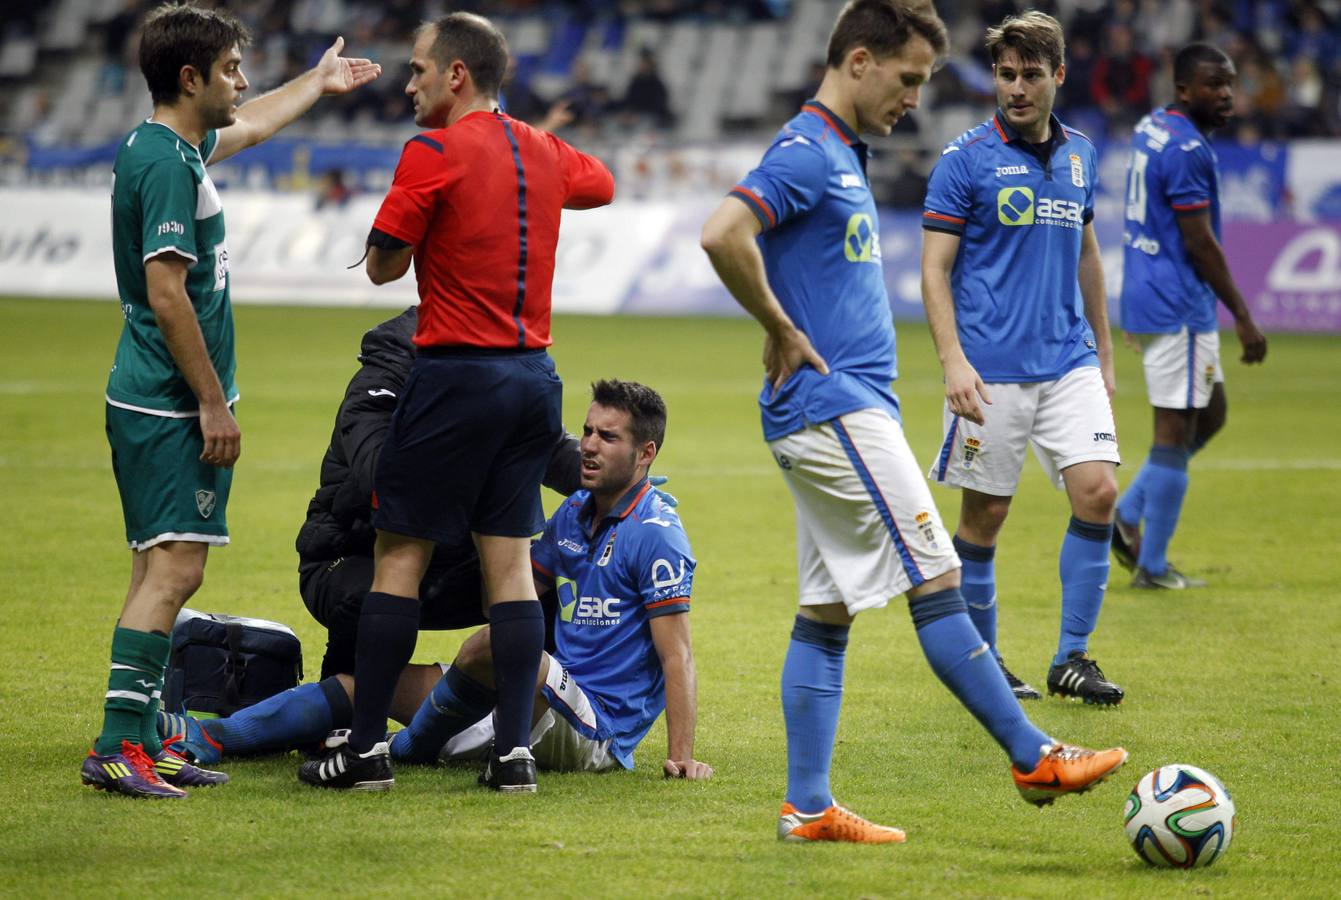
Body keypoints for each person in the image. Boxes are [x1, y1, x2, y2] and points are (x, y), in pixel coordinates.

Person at [701, 0, 1126, 845]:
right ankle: (1031, 753)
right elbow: (723, 233)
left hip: (836, 409)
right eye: (907, 79)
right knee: (936, 582)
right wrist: (779, 328)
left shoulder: (837, 151)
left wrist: (785, 320)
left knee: (824, 614)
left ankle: (808, 806)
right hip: (837, 409)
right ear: (859, 61)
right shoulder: (807, 150)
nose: (914, 99)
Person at [298, 11, 615, 793]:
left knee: (398, 559)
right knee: (507, 567)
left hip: (453, 377)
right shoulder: (539, 150)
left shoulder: (431, 151)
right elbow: (599, 184)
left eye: (416, 70)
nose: (408, 84)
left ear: (456, 76)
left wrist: (416, 227)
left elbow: (380, 268)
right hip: (533, 379)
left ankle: (365, 750)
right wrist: (527, 157)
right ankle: (513, 756)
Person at [84, 1, 380, 799]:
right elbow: (167, 293)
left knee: (160, 568)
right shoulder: (166, 164)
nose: (242, 82)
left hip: (154, 396)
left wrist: (316, 84)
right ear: (190, 77)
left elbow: (248, 125)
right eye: (229, 70)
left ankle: (143, 736)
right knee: (175, 572)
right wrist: (213, 404)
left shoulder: (168, 146)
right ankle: (119, 748)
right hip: (171, 402)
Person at [155, 307, 577, 767]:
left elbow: (546, 447)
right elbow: (376, 468)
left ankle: (531, 717)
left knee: (541, 584)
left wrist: (621, 483)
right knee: (378, 592)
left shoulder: (501, 351)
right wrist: (465, 451)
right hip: (348, 557)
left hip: (445, 565)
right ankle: (333, 725)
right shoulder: (391, 361)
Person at [920, 10, 1124, 707]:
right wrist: (951, 359)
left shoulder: (1080, 154)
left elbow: (1087, 254)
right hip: (990, 369)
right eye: (1006, 74)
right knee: (986, 518)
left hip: (1067, 361)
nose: (1014, 87)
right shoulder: (964, 160)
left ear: (1056, 76)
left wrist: (1101, 350)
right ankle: (984, 665)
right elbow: (933, 269)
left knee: (1097, 492)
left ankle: (1070, 658)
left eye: (1029, 74)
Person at [389, 380, 710, 783]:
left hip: (597, 728)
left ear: (646, 453)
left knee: (500, 643)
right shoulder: (574, 511)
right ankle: (336, 737)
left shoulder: (657, 532)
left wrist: (681, 759)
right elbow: (498, 604)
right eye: (588, 431)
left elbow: (676, 655)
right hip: (542, 693)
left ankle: (406, 749)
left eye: (608, 437)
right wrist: (492, 518)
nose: (589, 446)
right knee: (371, 681)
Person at [1111, 43, 1268, 588]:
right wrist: (1244, 316)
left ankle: (1127, 512)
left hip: (1152, 291)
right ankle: (1151, 565)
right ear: (1183, 90)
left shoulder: (1154, 127)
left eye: (1229, 84)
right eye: (1212, 85)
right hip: (1178, 302)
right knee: (1174, 430)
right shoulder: (1186, 150)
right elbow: (1200, 244)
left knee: (1212, 411)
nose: (1226, 95)